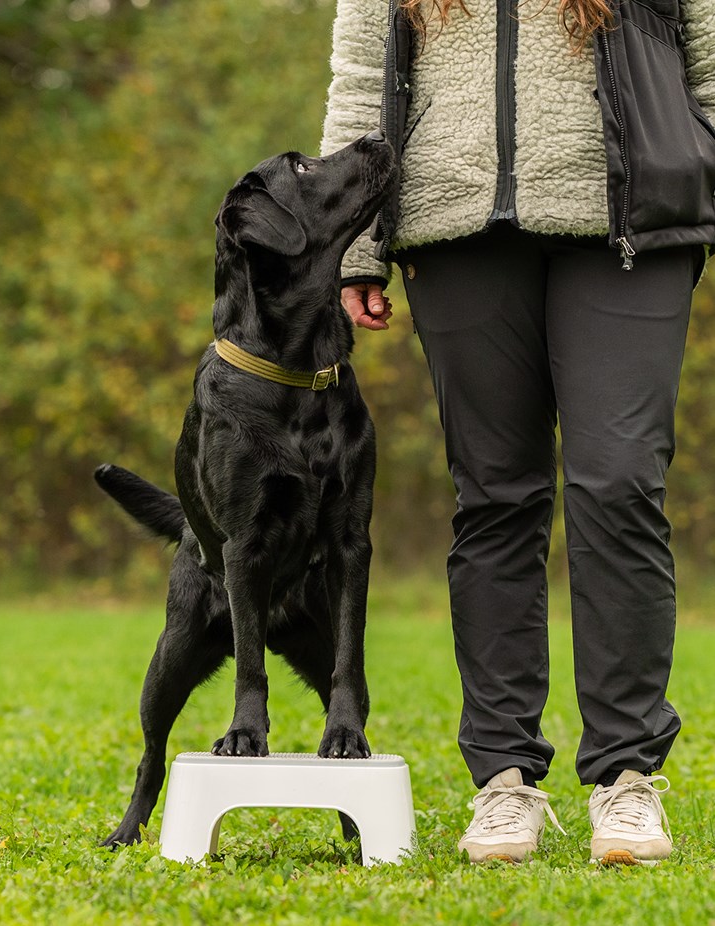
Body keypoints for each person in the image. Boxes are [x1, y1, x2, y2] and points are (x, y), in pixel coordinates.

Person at [321, 0, 715, 865]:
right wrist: (352, 247)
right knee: (495, 497)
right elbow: (358, 83)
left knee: (619, 484)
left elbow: (710, 63)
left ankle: (627, 779)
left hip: (630, 225)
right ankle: (503, 782)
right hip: (453, 229)